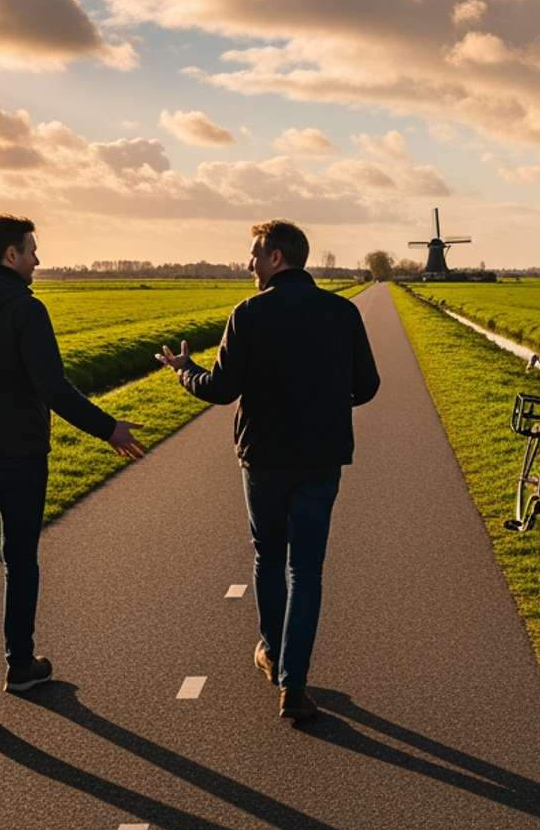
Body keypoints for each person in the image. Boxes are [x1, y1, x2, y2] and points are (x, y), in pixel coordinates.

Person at [0, 214, 145, 714]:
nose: (38, 260)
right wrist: (108, 428)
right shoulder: (26, 309)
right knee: (20, 558)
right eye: (31, 250)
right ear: (11, 255)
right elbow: (52, 387)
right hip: (20, 456)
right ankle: (19, 665)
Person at [157, 218, 379, 724]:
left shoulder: (249, 313)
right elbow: (367, 386)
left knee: (269, 556)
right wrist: (326, 402)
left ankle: (273, 653)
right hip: (321, 457)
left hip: (263, 458)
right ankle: (293, 684)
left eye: (255, 254)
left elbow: (221, 389)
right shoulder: (342, 312)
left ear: (276, 257)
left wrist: (184, 371)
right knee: (307, 569)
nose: (249, 264)